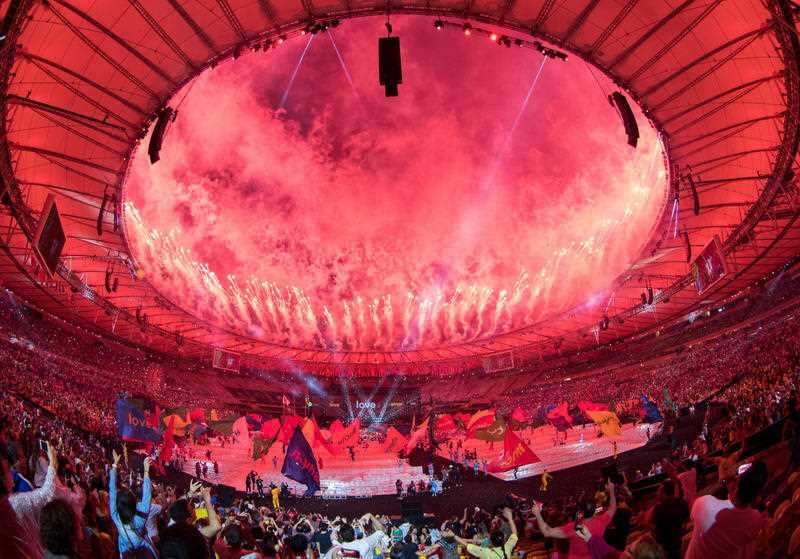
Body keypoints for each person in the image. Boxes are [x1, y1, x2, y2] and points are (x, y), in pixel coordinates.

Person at [685, 461, 769, 559]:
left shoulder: (704, 504)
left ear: (736, 485)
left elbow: (691, 514)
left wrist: (726, 472)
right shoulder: (756, 520)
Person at [109, 451, 155, 557]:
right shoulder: (141, 517)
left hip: (125, 550)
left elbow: (112, 491)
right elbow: (147, 495)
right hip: (144, 550)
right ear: (134, 503)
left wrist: (114, 465)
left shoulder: (115, 515)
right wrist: (146, 470)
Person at [451, 507, 517, 559]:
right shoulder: (507, 548)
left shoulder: (488, 553)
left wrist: (454, 536)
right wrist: (510, 518)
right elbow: (514, 534)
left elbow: (469, 545)